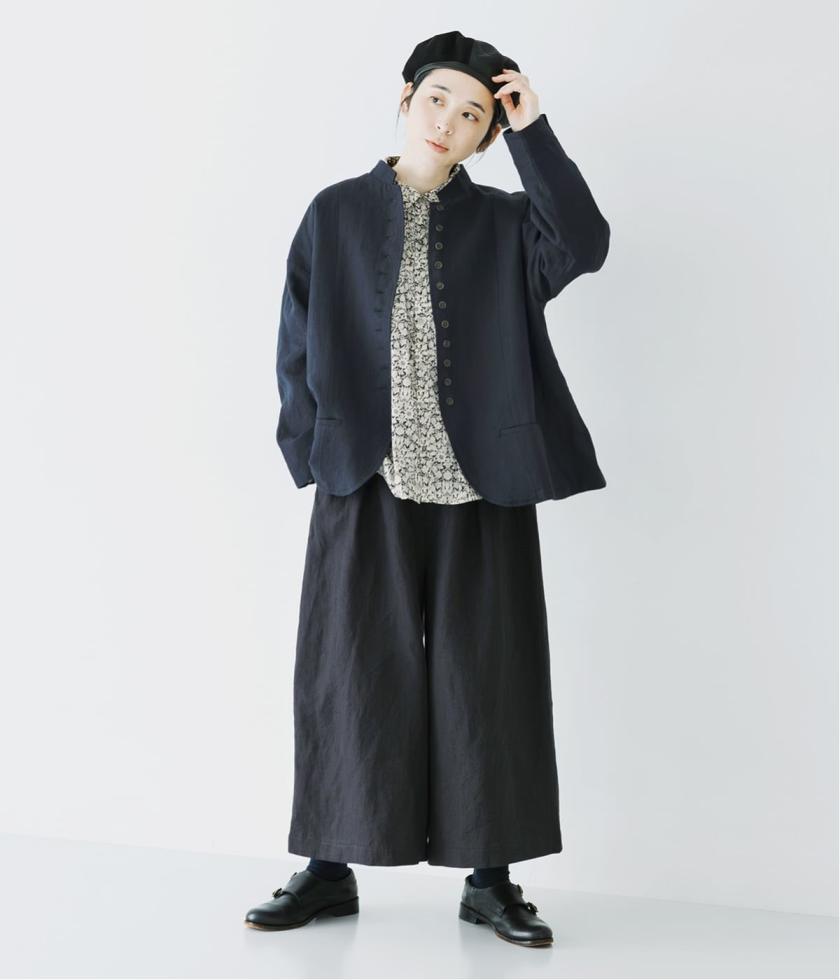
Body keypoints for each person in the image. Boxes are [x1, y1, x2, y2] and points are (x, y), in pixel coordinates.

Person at [244, 30, 610, 948]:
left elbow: (585, 243)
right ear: (406, 98)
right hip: (362, 476)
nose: (450, 120)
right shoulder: (334, 211)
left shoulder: (506, 226)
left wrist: (533, 131)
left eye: (475, 114)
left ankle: (492, 882)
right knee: (346, 671)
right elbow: (295, 334)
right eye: (439, 99)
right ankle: (328, 868)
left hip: (483, 481)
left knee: (490, 676)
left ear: (488, 135)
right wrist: (309, 447)